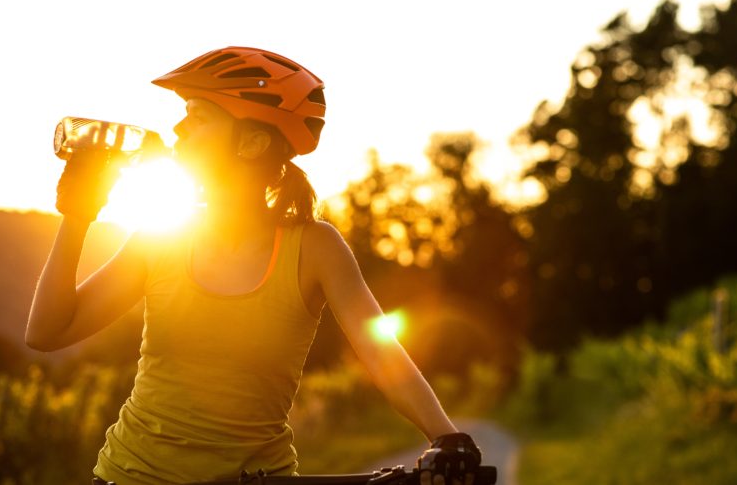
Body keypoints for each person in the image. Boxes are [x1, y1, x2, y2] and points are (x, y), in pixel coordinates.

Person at [25, 47, 482, 485]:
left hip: (259, 479)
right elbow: (47, 332)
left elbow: (383, 356)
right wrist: (78, 215)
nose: (179, 130)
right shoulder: (160, 239)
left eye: (198, 117)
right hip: (130, 476)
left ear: (252, 142)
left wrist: (447, 436)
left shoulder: (314, 247)